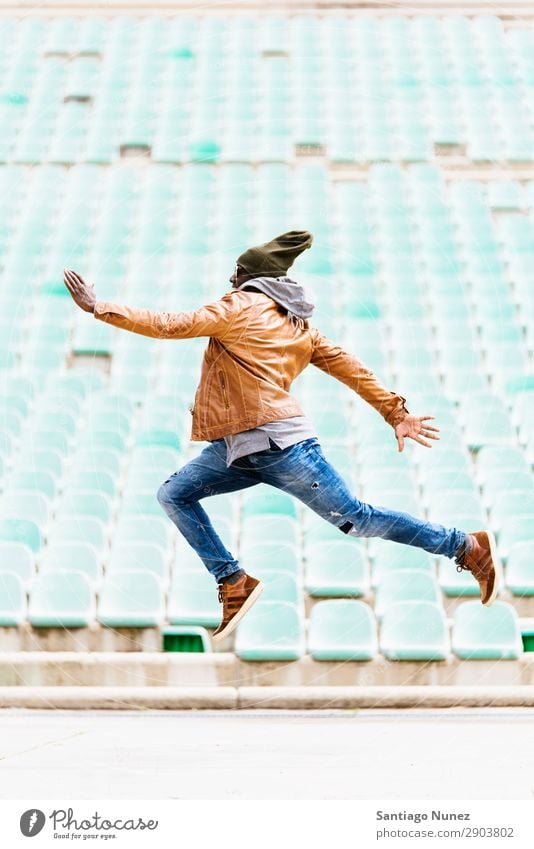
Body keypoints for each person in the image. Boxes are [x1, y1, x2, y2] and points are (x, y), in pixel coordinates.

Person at [64, 230, 501, 642]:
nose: (230, 280)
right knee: (174, 494)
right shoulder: (300, 327)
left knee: (357, 518)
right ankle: (233, 581)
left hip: (280, 447)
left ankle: (465, 546)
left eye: (236, 273)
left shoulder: (238, 306)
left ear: (250, 278)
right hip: (243, 447)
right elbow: (351, 366)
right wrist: (393, 411)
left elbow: (172, 323)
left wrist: (100, 307)